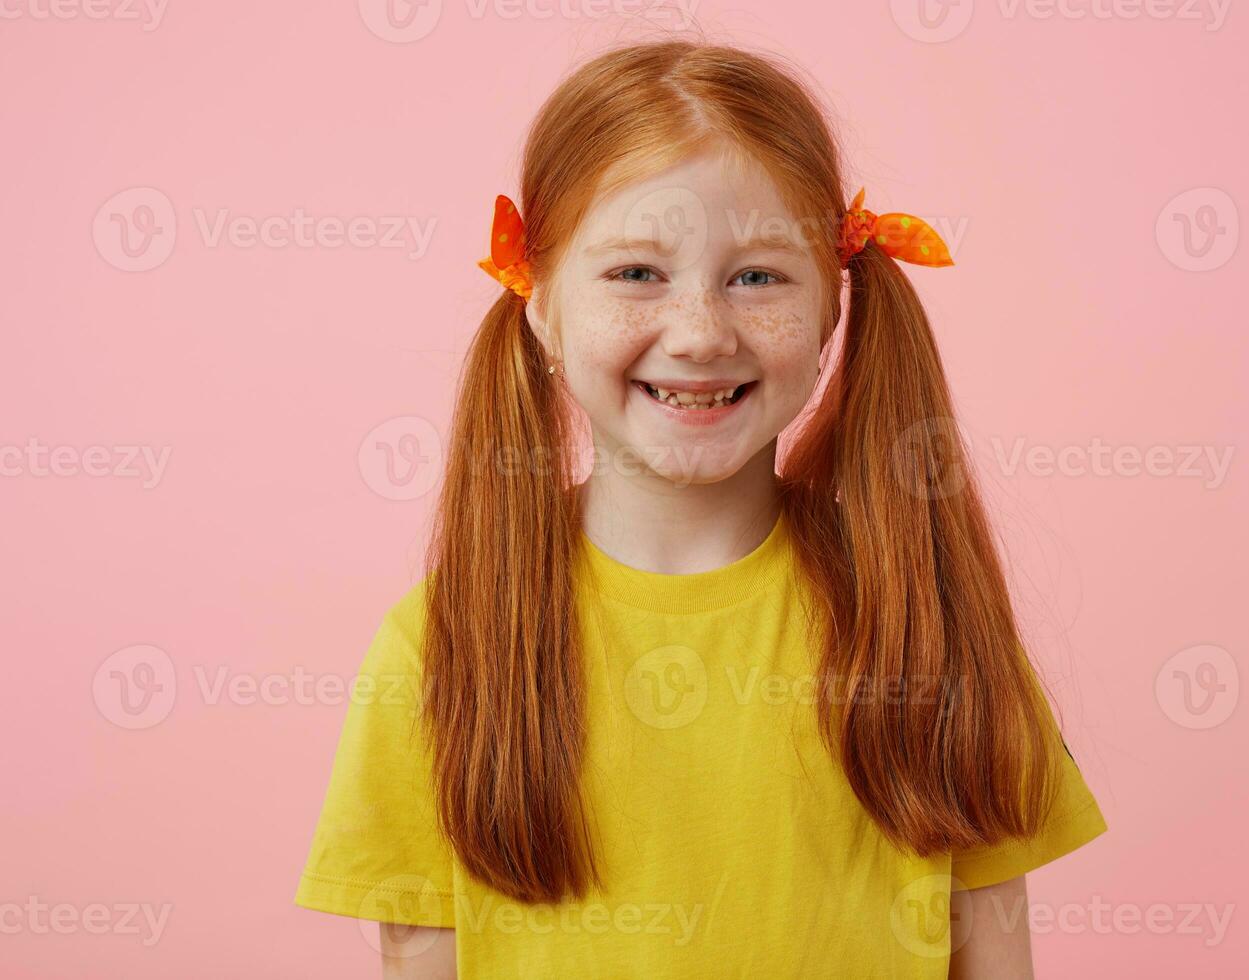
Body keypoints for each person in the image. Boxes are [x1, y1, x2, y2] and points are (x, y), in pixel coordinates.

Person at [294, 38, 1106, 979]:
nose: (699, 332)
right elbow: (419, 954)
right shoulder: (441, 645)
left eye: (757, 276)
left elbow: (993, 947)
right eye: (636, 273)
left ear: (829, 312)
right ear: (540, 303)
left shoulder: (927, 618)